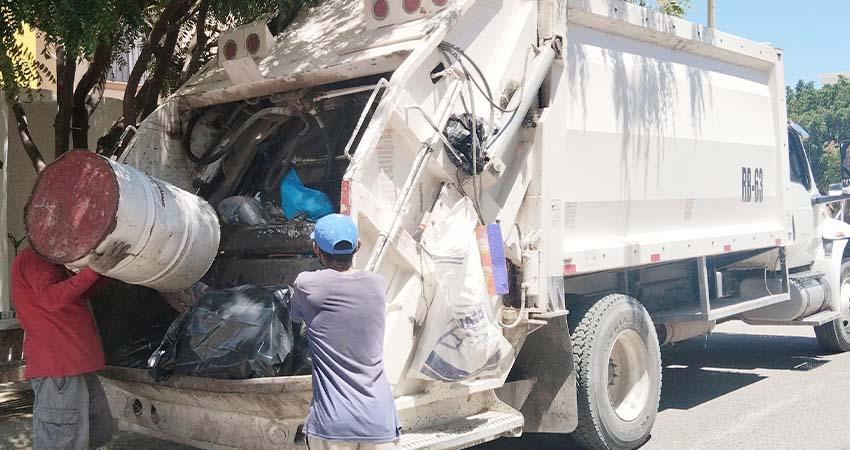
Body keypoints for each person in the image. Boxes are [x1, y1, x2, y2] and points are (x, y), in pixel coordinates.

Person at [291, 214, 400, 450]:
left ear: (315, 249)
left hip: (333, 424)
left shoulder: (306, 284)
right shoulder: (377, 284)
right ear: (357, 246)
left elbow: (294, 318)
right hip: (379, 421)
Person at [12, 240, 131, 450]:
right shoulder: (35, 258)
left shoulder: (54, 261)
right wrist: (94, 271)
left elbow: (80, 292)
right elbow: (52, 298)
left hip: (77, 367)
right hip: (59, 370)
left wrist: (102, 271)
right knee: (62, 442)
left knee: (91, 438)